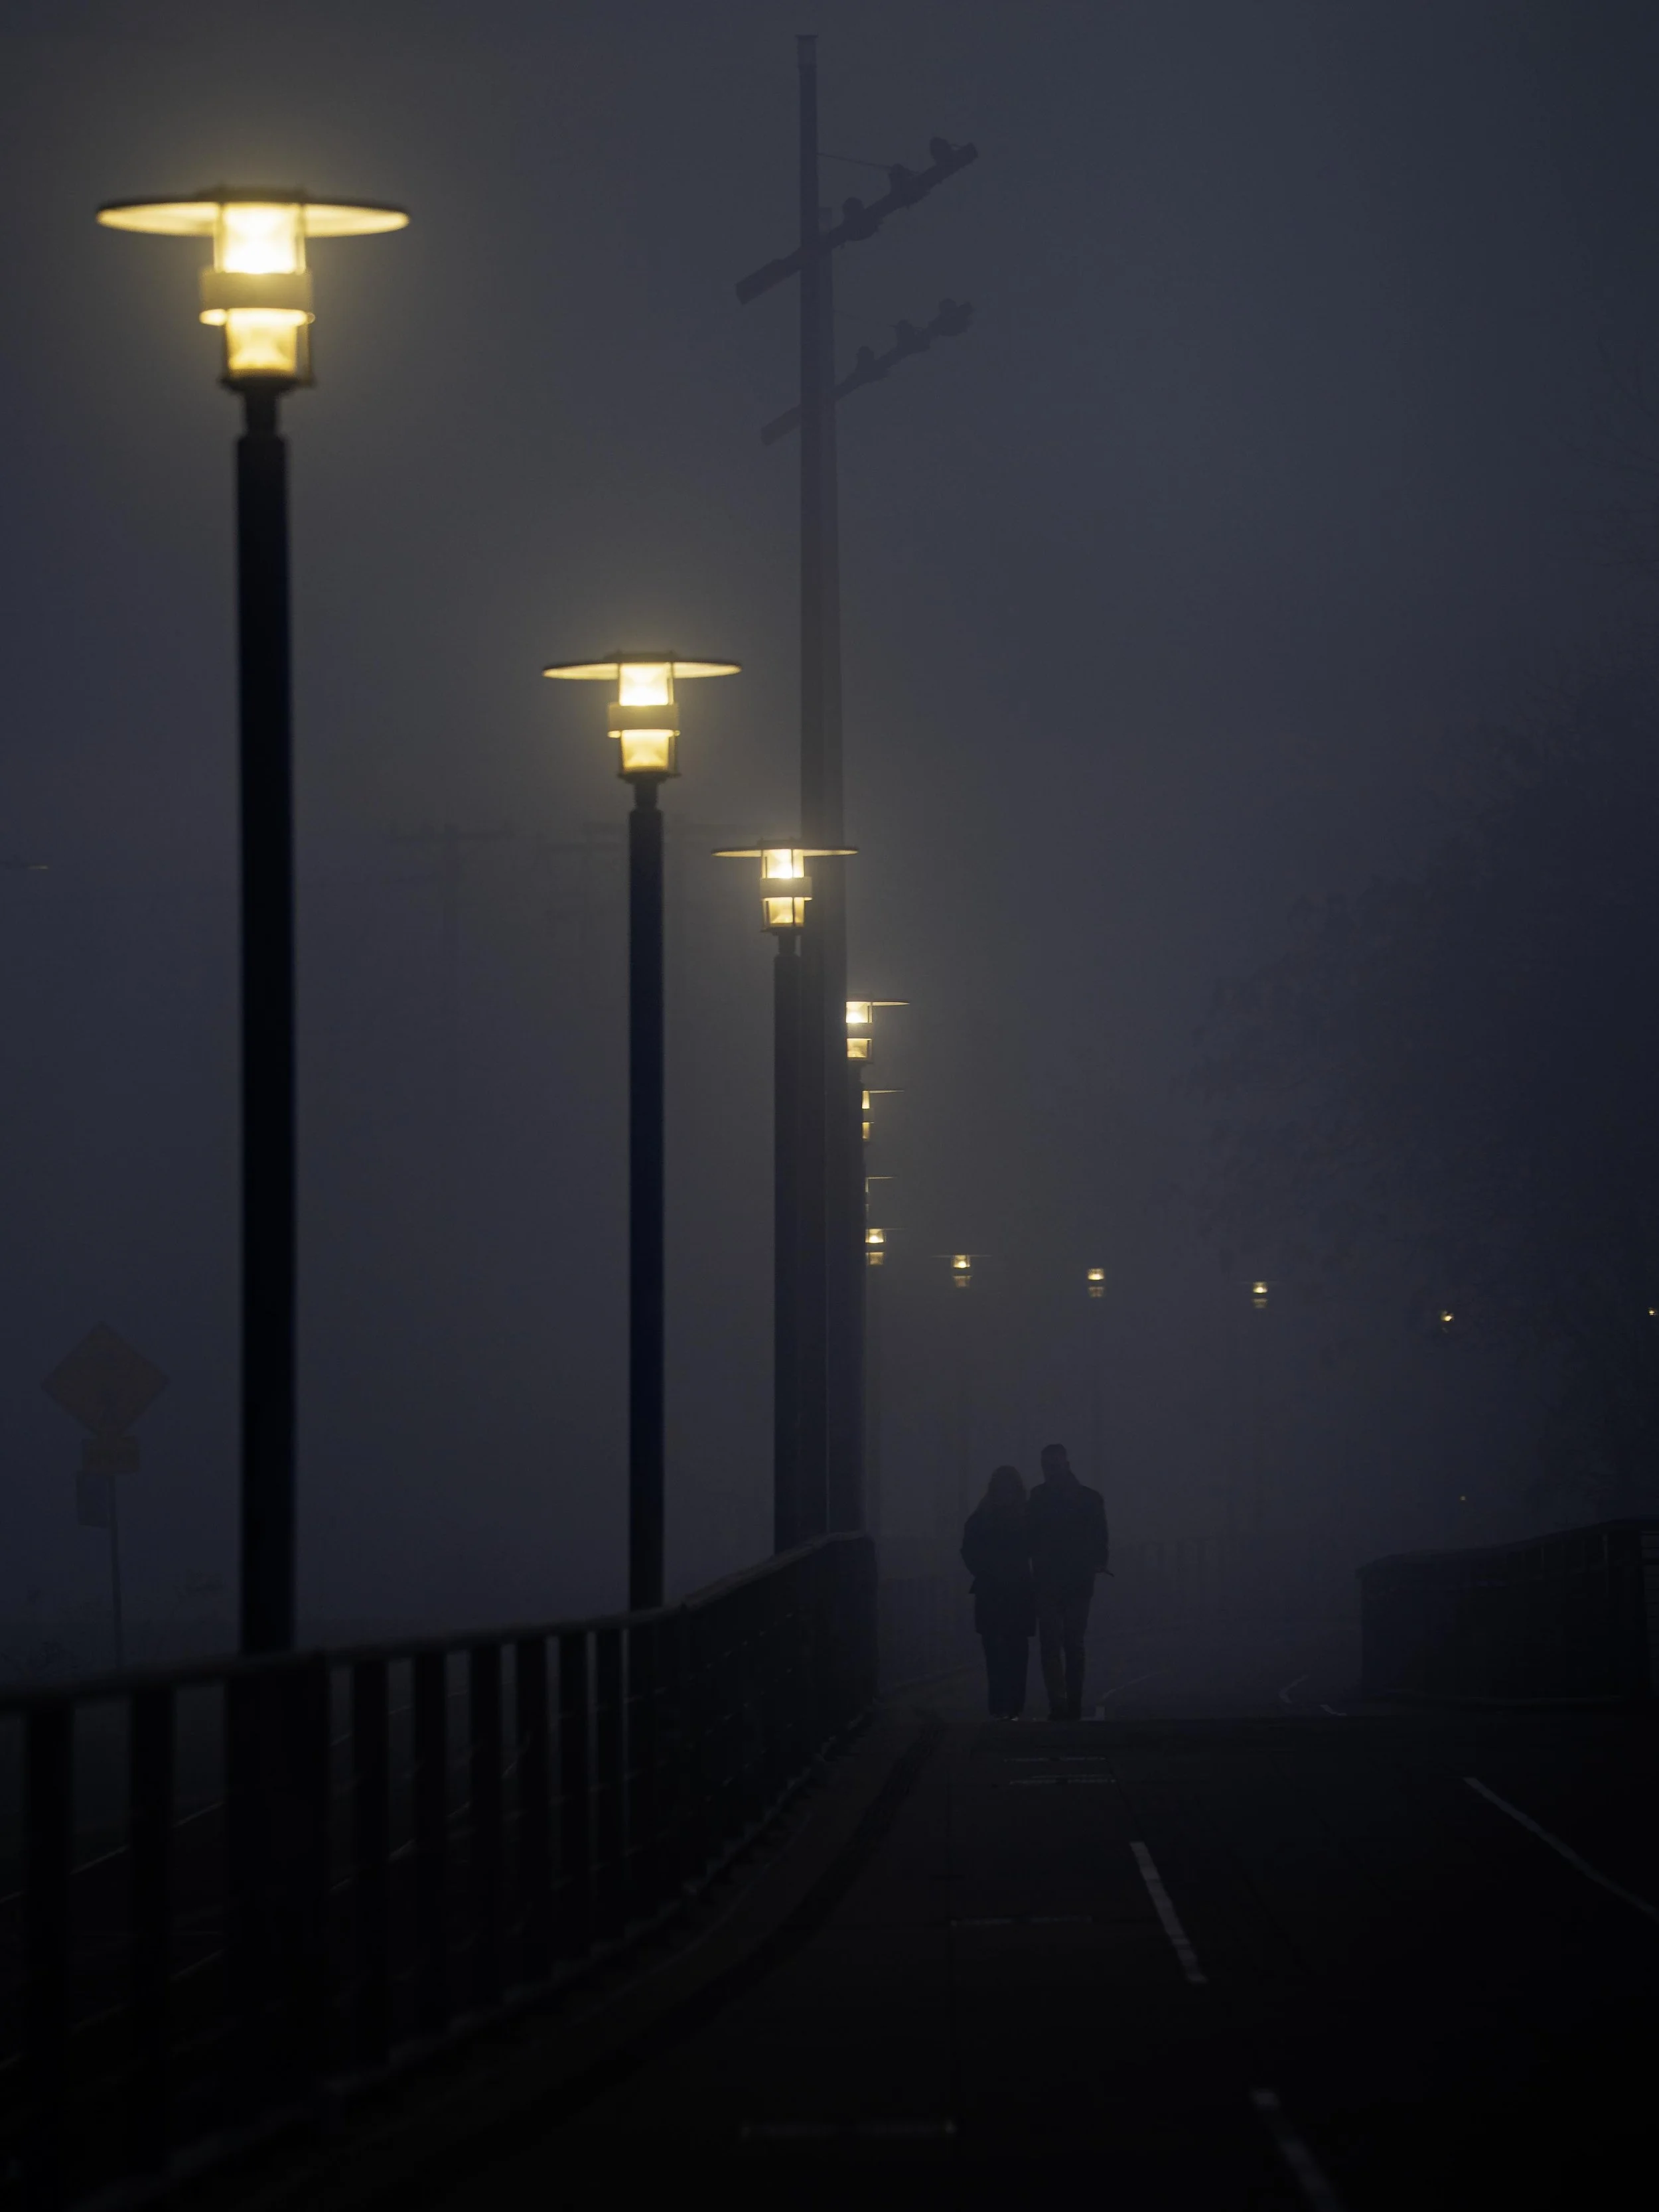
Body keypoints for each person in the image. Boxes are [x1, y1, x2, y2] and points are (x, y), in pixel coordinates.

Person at [1027, 1442, 1110, 1720]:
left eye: (1052, 1466)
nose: (1049, 1471)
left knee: (1059, 1644)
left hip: (1056, 1580)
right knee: (1068, 1644)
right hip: (1072, 1580)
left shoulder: (1038, 1498)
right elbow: (1100, 1538)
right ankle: (1069, 1701)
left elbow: (1030, 1537)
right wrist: (1097, 1561)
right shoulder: (1089, 1498)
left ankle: (1061, 1701)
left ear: (1064, 1465)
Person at [960, 1465, 1035, 1720]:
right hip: (1011, 1590)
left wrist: (983, 1570)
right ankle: (1009, 1706)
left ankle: (1005, 1706)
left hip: (999, 1591)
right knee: (1007, 1650)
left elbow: (968, 1551)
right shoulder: (1025, 1518)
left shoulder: (982, 1518)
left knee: (1005, 1650)